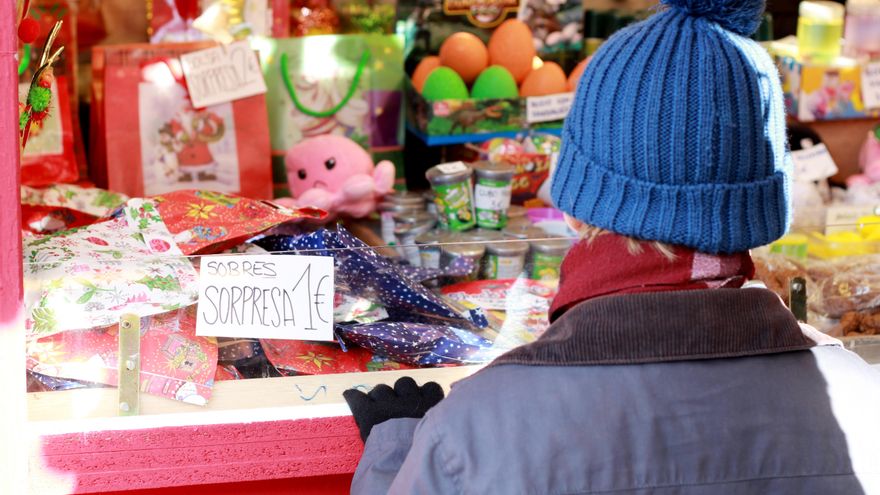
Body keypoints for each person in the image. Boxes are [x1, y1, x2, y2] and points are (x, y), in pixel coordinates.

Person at [343, 0, 880, 492]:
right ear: (762, 204)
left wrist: (392, 453)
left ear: (576, 208)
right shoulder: (862, 398)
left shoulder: (477, 426)